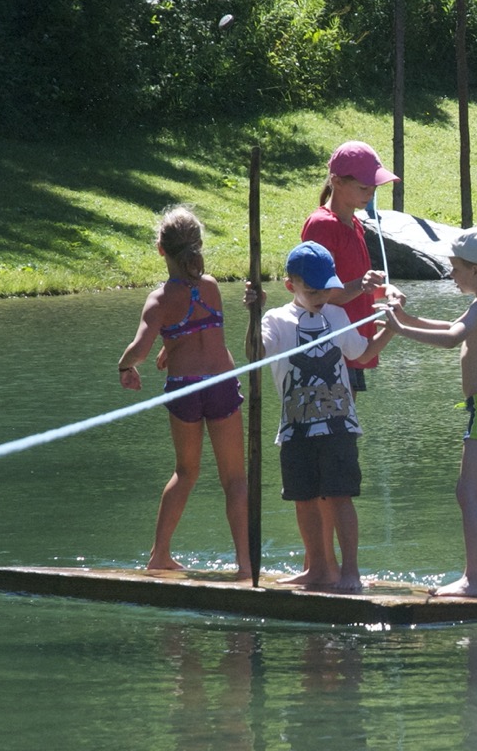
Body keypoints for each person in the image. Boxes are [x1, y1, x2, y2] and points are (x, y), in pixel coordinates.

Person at [117, 206, 252, 579]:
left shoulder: (159, 300)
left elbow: (139, 349)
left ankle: (160, 554)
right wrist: (171, 346)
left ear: (160, 249)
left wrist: (125, 365)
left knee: (186, 472)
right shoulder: (210, 287)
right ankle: (245, 565)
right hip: (221, 384)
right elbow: (200, 330)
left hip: (185, 391)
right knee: (235, 480)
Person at [381, 226, 477, 601]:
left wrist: (400, 331)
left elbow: (452, 338)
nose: (451, 274)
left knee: (467, 492)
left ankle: (474, 580)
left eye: (455, 268)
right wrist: (405, 318)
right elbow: (449, 326)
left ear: (475, 271)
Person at [262, 241, 392, 591]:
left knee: (340, 495)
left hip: (339, 424)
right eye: (312, 290)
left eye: (327, 288)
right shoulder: (275, 319)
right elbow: (254, 353)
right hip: (295, 427)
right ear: (291, 286)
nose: (321, 296)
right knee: (302, 499)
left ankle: (350, 571)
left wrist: (390, 327)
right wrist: (251, 313)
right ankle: (318, 568)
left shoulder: (337, 315)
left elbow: (363, 354)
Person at [302, 140, 396, 394]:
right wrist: (360, 285)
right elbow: (315, 294)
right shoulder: (321, 225)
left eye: (374, 188)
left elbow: (354, 286)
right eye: (364, 187)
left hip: (352, 343)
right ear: (337, 181)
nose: (371, 193)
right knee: (334, 427)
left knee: (346, 426)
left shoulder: (354, 223)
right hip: (329, 347)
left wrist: (382, 292)